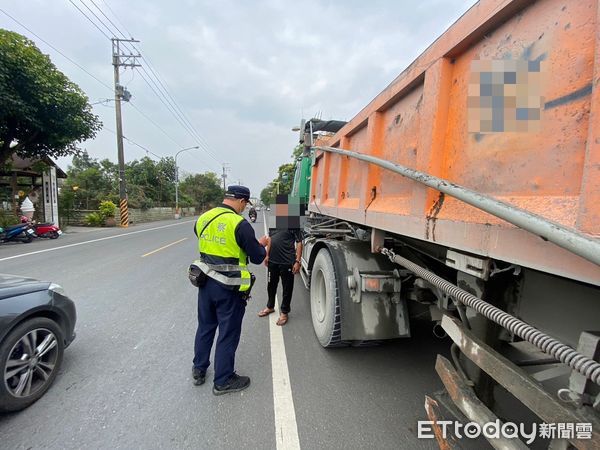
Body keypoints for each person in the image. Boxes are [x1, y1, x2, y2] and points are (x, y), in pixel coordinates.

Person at [192, 185, 269, 395]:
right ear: (242, 201)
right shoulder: (239, 224)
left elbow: (212, 246)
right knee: (228, 332)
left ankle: (199, 369)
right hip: (229, 288)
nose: (245, 209)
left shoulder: (203, 218)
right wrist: (261, 245)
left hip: (205, 283)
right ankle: (223, 380)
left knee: (206, 326)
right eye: (245, 205)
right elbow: (257, 257)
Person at [258, 225, 303, 326]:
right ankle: (270, 307)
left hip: (287, 261)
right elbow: (270, 239)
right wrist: (267, 255)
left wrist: (297, 261)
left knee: (287, 288)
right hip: (273, 261)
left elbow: (299, 242)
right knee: (271, 285)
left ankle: (284, 312)